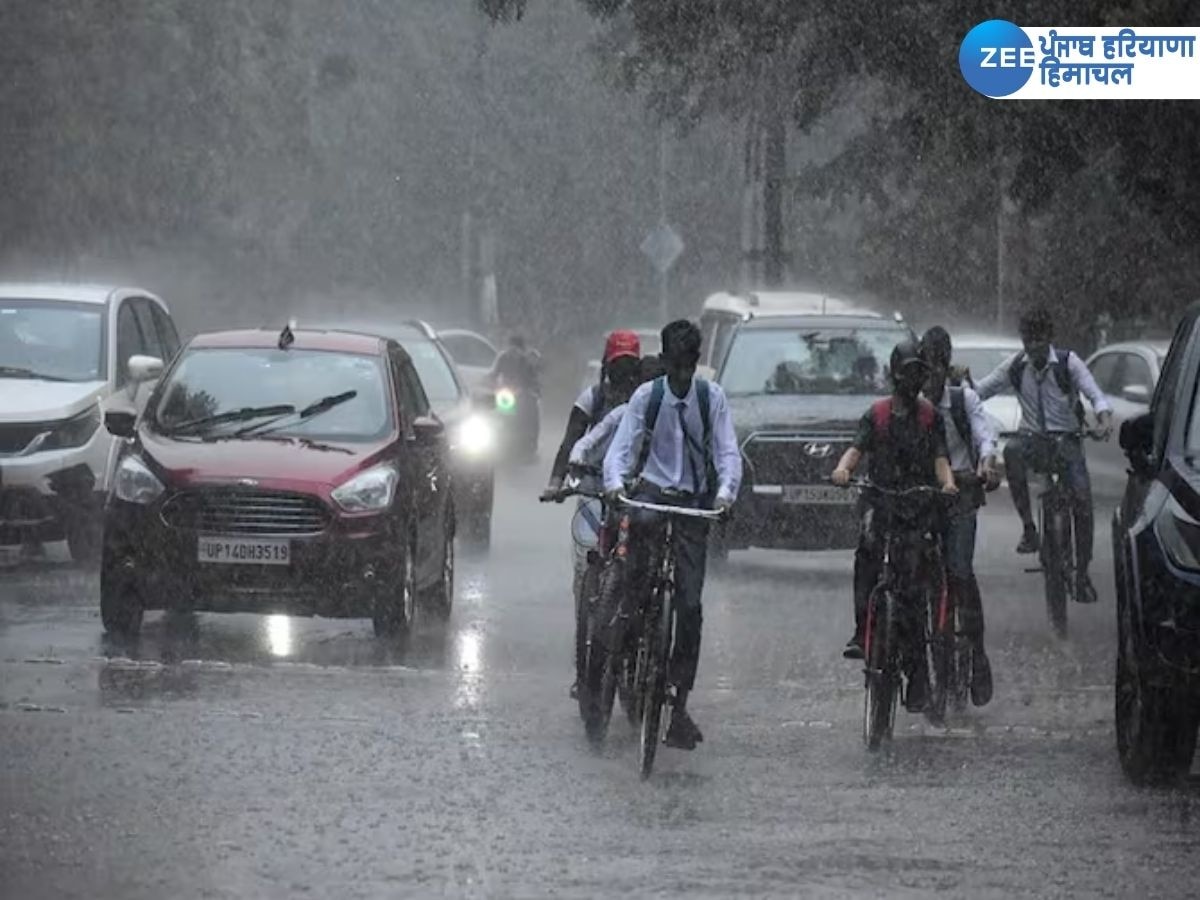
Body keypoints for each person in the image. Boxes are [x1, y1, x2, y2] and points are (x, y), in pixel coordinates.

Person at [603, 320, 742, 750]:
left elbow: (727, 451)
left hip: (694, 505)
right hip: (651, 495)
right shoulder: (648, 397)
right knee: (635, 575)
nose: (683, 375)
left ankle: (679, 704)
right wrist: (615, 484)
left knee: (690, 605)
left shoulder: (711, 398)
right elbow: (621, 451)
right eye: (676, 366)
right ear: (664, 362)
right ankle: (627, 636)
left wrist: (725, 495)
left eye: (689, 366)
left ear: (695, 363)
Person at [831, 339, 957, 712]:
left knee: (914, 592)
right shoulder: (877, 415)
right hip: (880, 503)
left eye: (919, 373)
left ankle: (918, 674)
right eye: (907, 373)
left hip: (916, 508)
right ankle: (861, 631)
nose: (913, 381)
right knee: (867, 555)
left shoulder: (931, 417)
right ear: (894, 375)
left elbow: (940, 458)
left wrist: (947, 483)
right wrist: (843, 470)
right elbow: (855, 450)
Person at [973, 306, 1113, 604]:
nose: (1032, 348)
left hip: (1067, 442)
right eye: (1027, 341)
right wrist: (958, 388)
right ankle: (1028, 528)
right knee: (1011, 452)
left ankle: (1082, 571)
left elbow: (1095, 394)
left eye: (1037, 341)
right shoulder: (1015, 366)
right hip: (1032, 441)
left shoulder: (1068, 362)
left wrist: (1103, 419)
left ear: (1049, 338)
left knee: (1083, 500)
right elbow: (980, 391)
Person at [919, 326, 999, 706]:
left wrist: (986, 464)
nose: (932, 374)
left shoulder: (963, 399)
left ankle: (977, 655)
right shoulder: (913, 403)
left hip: (963, 494)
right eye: (926, 366)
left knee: (961, 573)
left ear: (945, 364)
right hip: (924, 498)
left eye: (938, 365)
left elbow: (986, 438)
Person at [540, 330, 642, 501]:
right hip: (593, 484)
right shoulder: (592, 398)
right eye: (618, 364)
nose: (623, 371)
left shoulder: (645, 399)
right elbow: (569, 443)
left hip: (629, 486)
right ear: (607, 365)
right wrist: (555, 484)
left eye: (628, 364)